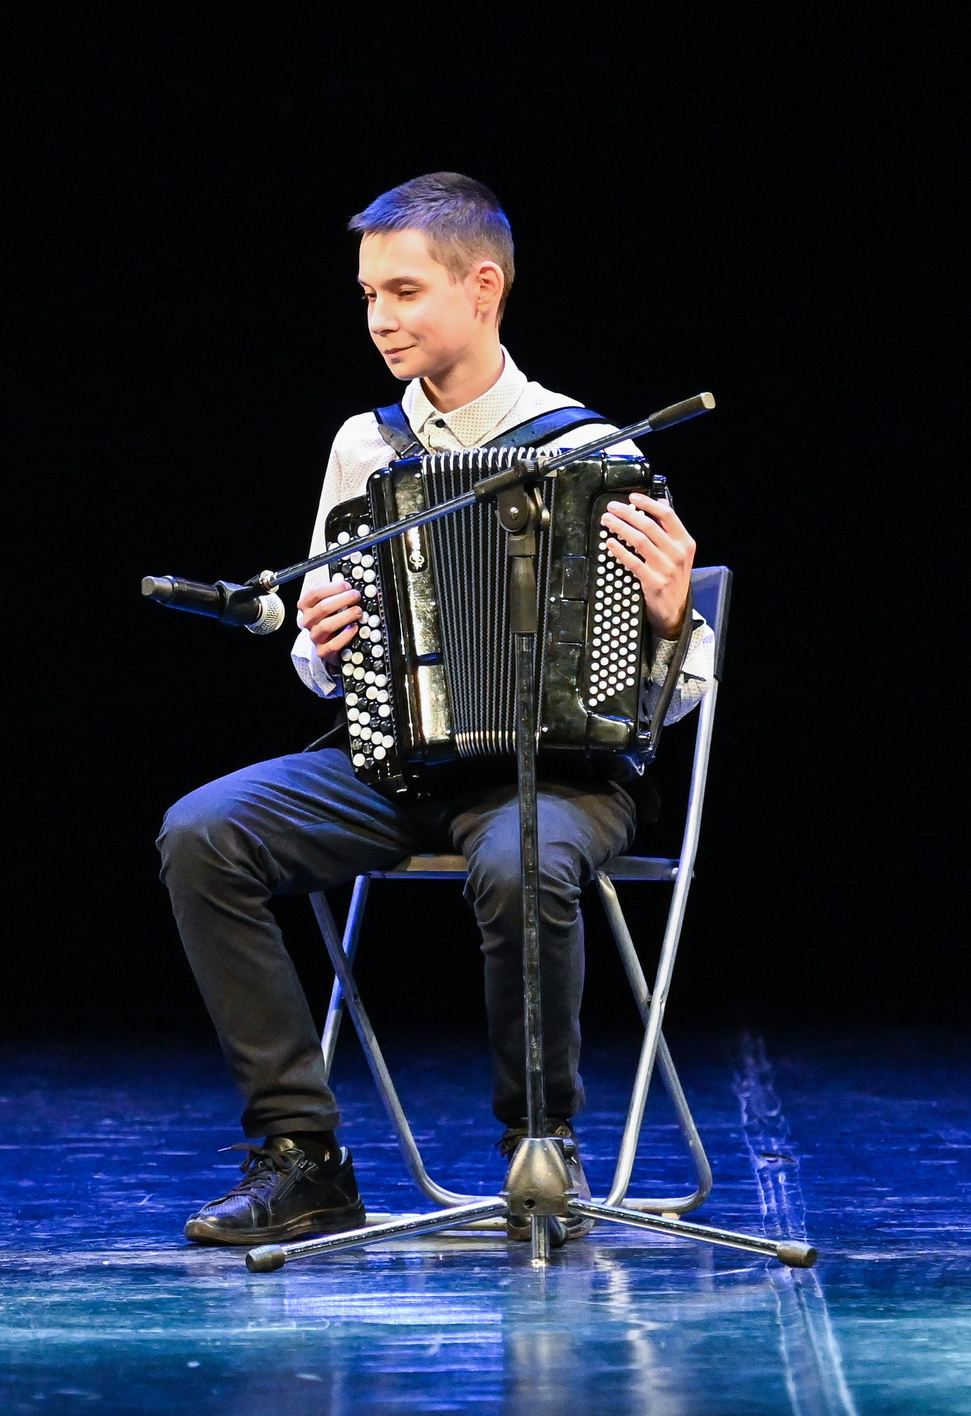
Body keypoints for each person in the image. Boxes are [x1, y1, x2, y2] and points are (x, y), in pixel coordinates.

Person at [157, 172, 712, 1247]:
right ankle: (301, 1155)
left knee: (522, 857)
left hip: (563, 778)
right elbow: (327, 665)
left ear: (483, 287)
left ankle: (539, 1147)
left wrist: (667, 618)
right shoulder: (364, 448)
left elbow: (680, 689)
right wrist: (322, 643)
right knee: (203, 832)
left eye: (403, 291)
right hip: (398, 769)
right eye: (368, 295)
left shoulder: (592, 452)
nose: (379, 319)